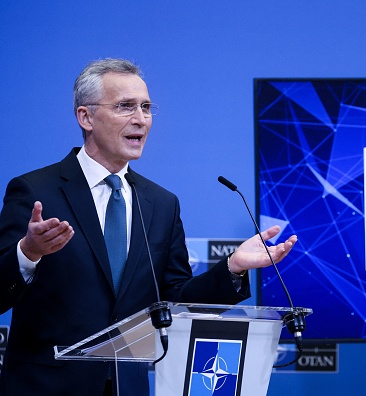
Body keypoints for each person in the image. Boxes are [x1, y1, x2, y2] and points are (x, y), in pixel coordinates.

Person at [0, 58, 297, 396]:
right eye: (125, 107)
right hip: (46, 387)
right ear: (86, 117)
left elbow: (177, 300)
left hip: (128, 387)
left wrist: (232, 267)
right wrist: (28, 253)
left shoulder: (161, 203)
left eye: (146, 107)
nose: (141, 119)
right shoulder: (36, 191)